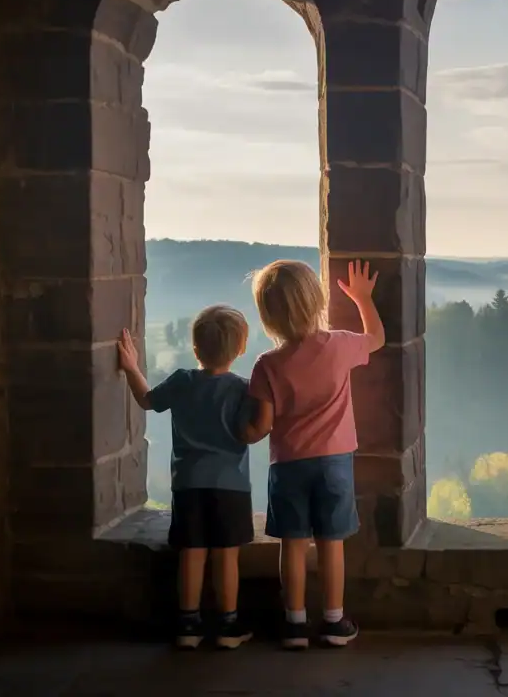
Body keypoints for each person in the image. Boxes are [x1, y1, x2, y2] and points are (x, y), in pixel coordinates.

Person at [242, 259, 384, 650]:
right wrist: (362, 299)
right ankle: (334, 621)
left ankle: (294, 623)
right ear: (317, 299)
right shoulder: (339, 345)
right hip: (334, 464)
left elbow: (263, 425)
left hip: (287, 465)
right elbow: (377, 338)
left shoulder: (266, 365)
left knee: (292, 544)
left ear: (267, 315)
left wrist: (241, 432)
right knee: (331, 543)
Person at [116, 306, 256, 650]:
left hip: (189, 483)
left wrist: (131, 366)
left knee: (191, 552)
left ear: (196, 349)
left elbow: (147, 400)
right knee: (227, 554)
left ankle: (187, 623)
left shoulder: (182, 380)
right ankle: (227, 625)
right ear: (240, 349)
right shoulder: (243, 388)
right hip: (231, 486)